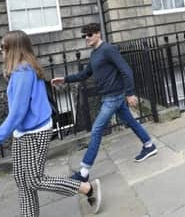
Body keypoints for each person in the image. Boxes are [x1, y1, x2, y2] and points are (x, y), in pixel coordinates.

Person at [0, 30, 102, 216]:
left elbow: (17, 114)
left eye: (3, 47)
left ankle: (85, 188)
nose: (1, 51)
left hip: (35, 132)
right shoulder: (20, 70)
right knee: (23, 181)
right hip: (23, 133)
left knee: (34, 180)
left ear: (13, 48)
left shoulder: (23, 72)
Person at [51, 23, 157, 183]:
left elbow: (126, 70)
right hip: (111, 97)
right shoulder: (95, 54)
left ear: (98, 34)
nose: (86, 38)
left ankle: (84, 172)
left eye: (89, 34)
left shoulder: (108, 49)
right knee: (130, 120)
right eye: (84, 36)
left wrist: (130, 93)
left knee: (96, 130)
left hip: (113, 96)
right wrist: (64, 79)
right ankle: (149, 145)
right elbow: (84, 74)